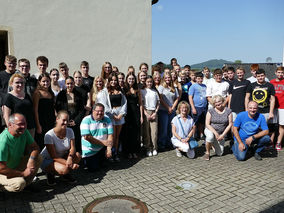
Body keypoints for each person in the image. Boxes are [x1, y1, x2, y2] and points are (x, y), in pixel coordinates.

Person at [0, 113, 41, 192]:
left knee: (38, 158)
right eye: (20, 124)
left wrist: (31, 160)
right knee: (19, 183)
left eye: (24, 123)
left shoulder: (23, 132)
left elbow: (35, 148)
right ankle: (1, 188)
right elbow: (1, 169)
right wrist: (22, 174)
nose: (23, 127)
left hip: (15, 166)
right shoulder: (3, 141)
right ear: (10, 125)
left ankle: (27, 185)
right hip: (2, 172)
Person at [40, 111, 81, 186]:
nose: (66, 123)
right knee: (65, 169)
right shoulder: (49, 135)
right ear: (57, 119)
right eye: (64, 120)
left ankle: (65, 174)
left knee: (77, 155)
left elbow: (73, 148)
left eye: (67, 120)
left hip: (60, 157)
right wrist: (70, 164)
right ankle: (50, 173)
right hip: (47, 159)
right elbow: (54, 157)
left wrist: (70, 157)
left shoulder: (70, 131)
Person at [55, 76, 85, 152]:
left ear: (74, 84)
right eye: (68, 84)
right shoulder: (61, 94)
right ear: (65, 84)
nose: (70, 85)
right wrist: (65, 120)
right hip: (65, 122)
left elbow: (81, 110)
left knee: (76, 140)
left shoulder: (78, 94)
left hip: (75, 122)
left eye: (71, 83)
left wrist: (76, 121)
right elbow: (58, 108)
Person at [80, 103, 113, 172]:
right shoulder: (86, 120)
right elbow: (87, 137)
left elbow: (110, 135)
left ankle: (102, 158)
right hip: (90, 150)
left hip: (102, 148)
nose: (100, 113)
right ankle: (87, 161)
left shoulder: (107, 119)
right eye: (98, 111)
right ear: (93, 111)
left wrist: (109, 148)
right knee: (94, 169)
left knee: (112, 152)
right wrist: (104, 143)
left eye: (102, 111)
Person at [203, 95, 233, 160]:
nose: (217, 103)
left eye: (219, 101)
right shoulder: (210, 111)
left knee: (220, 153)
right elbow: (207, 124)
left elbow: (230, 124)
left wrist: (223, 135)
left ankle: (213, 143)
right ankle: (207, 152)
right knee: (210, 137)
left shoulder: (228, 111)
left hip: (221, 133)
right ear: (213, 104)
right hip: (210, 130)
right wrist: (216, 133)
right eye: (215, 102)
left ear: (222, 101)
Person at [33, 73, 56, 150]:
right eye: (43, 81)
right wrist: (38, 125)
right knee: (41, 143)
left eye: (47, 81)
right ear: (39, 82)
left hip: (50, 121)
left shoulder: (51, 93)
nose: (46, 83)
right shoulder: (37, 93)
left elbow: (53, 108)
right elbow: (35, 110)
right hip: (42, 121)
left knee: (50, 142)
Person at [157, 73, 179, 150]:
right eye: (166, 78)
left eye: (169, 77)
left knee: (170, 128)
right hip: (163, 110)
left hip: (172, 111)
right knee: (164, 128)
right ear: (163, 78)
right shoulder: (161, 87)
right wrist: (167, 107)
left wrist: (172, 108)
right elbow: (160, 98)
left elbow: (177, 98)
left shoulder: (174, 87)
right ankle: (161, 144)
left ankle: (169, 143)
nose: (168, 79)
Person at [123, 73, 143, 158]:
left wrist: (141, 116)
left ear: (135, 80)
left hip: (136, 113)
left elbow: (141, 104)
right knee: (128, 133)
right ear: (127, 79)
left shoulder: (137, 89)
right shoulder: (124, 89)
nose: (131, 80)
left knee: (135, 133)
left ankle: (134, 151)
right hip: (127, 113)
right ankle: (128, 152)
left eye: (132, 79)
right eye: (129, 79)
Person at [141, 75, 160, 157]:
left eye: (151, 82)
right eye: (148, 81)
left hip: (154, 112)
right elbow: (141, 103)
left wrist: (155, 112)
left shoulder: (155, 91)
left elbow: (158, 103)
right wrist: (145, 113)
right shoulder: (142, 91)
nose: (149, 83)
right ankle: (148, 148)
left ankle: (154, 148)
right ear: (145, 82)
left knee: (154, 132)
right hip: (146, 112)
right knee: (146, 132)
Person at [188, 72, 207, 140]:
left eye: (201, 78)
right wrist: (193, 108)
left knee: (202, 122)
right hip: (196, 107)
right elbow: (190, 97)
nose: (200, 80)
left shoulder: (204, 86)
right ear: (195, 79)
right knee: (195, 122)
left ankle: (201, 134)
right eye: (198, 78)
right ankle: (194, 135)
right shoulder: (193, 86)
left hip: (204, 107)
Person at [270, 66, 284, 150]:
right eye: (278, 72)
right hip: (273, 107)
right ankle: (270, 143)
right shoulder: (271, 82)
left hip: (283, 107)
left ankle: (278, 143)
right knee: (271, 125)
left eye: (282, 72)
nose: (280, 74)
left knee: (281, 125)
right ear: (275, 73)